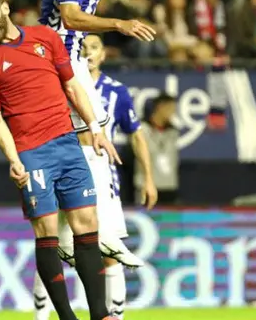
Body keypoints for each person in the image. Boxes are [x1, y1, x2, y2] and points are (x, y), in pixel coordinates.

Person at [0, 0, 120, 320]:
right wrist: (14, 160)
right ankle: (66, 317)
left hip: (67, 143)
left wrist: (94, 128)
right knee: (46, 232)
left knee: (87, 225)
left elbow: (72, 86)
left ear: (4, 8)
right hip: (31, 153)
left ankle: (101, 314)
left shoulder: (44, 39)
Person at [36, 0, 158, 315]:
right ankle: (90, 234)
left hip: (67, 60)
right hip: (58, 61)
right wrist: (119, 23)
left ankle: (80, 232)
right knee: (93, 136)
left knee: (90, 138)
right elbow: (70, 18)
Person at [70, 33, 155, 318]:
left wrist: (148, 178)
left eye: (94, 47)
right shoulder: (64, 85)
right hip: (68, 170)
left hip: (102, 172)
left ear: (104, 54)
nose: (87, 52)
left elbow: (137, 136)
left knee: (109, 251)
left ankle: (116, 315)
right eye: (82, 47)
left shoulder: (117, 92)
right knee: (53, 245)